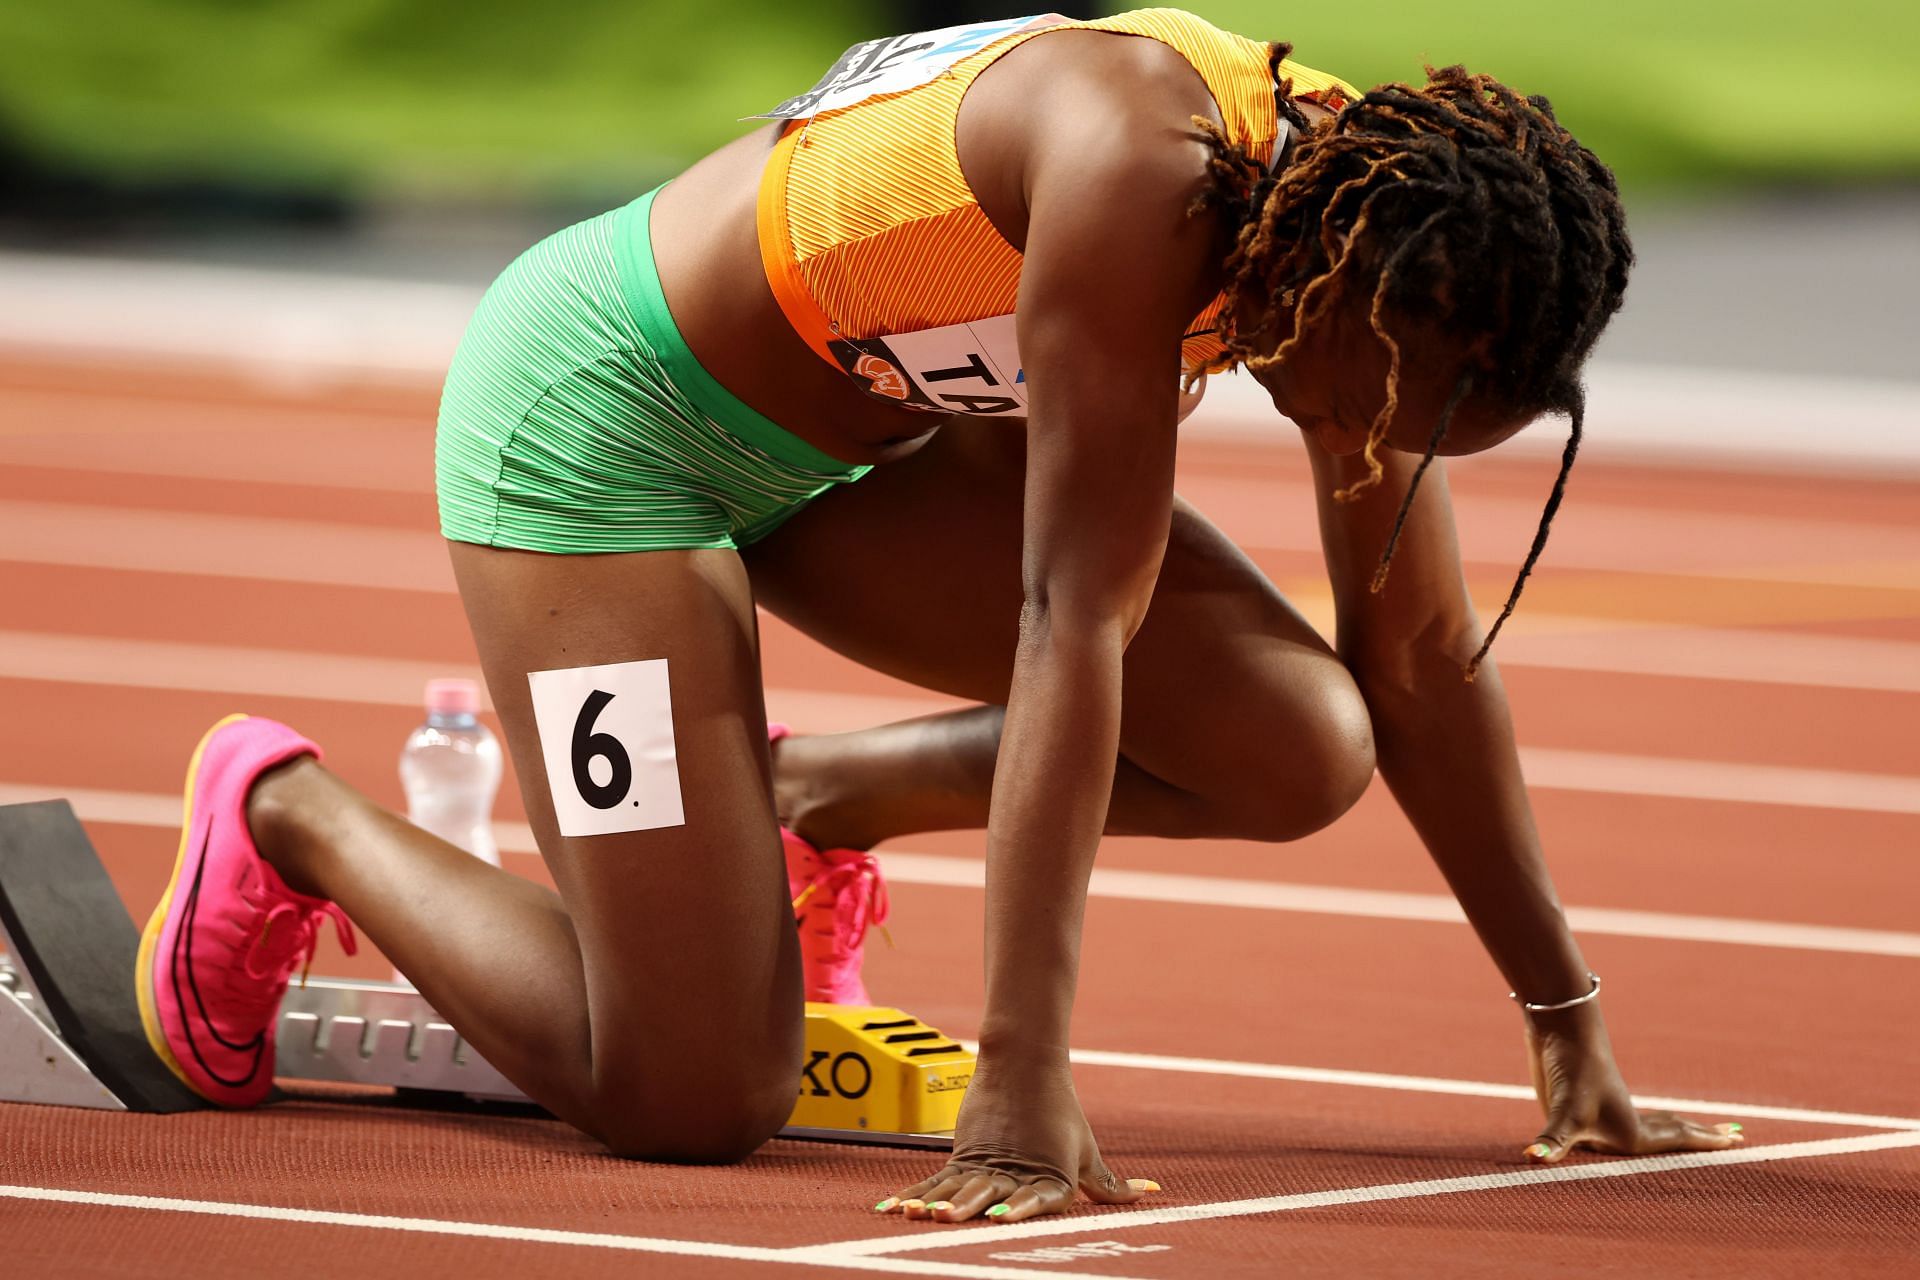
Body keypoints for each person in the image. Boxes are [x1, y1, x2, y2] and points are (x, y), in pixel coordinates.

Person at [135, 8, 1742, 1225]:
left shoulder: (1369, 235)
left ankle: (802, 798)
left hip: (863, 455)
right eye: (1375, 415)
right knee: (690, 1095)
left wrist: (1568, 1030)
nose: (1367, 451)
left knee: (1305, 741)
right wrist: (1018, 1079)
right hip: (601, 433)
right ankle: (287, 814)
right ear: (1359, 306)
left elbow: (1418, 659)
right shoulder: (1152, 170)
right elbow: (1070, 624)